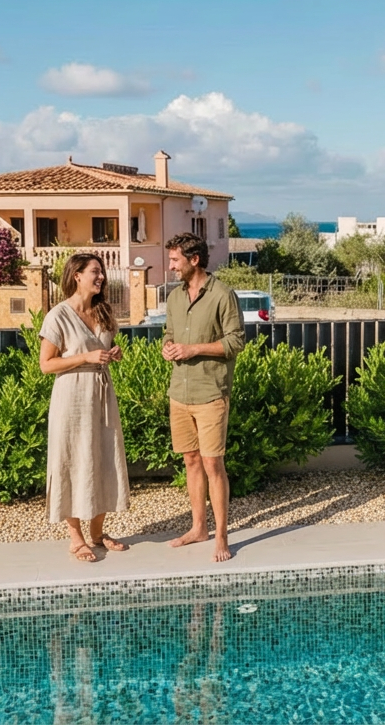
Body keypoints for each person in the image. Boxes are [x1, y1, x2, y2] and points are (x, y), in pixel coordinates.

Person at [38, 253, 130, 562]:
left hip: (102, 395)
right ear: (77, 275)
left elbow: (101, 349)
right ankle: (76, 538)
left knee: (104, 458)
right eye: (95, 271)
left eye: (102, 272)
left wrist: (111, 355)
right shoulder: (58, 316)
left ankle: (97, 532)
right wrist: (86, 358)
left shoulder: (104, 312)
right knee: (72, 460)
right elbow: (46, 365)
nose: (101, 276)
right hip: (71, 398)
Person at [161, 232, 245, 562]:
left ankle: (221, 536)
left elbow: (236, 342)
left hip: (211, 394)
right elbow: (169, 334)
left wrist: (194, 348)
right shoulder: (174, 298)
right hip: (179, 394)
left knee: (213, 464)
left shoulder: (223, 295)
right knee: (191, 462)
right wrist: (168, 348)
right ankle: (199, 528)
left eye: (174, 260)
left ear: (193, 260)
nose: (170, 266)